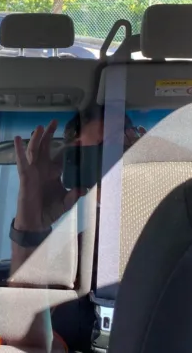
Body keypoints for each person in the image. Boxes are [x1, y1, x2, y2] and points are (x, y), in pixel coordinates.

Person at [9, 105, 145, 276]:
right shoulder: (79, 254)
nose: (122, 156)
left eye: (127, 143)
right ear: (78, 162)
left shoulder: (170, 218)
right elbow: (24, 291)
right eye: (105, 147)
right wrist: (30, 225)